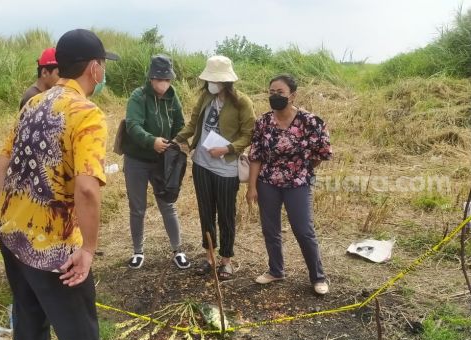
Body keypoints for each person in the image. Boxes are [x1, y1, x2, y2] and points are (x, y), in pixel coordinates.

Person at [0, 29, 118, 340]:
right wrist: (87, 249)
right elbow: (86, 188)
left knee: (30, 331)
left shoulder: (33, 103)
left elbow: (3, 163)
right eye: (102, 65)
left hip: (13, 238)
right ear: (95, 69)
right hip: (55, 248)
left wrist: (4, 216)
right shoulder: (87, 114)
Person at [246, 74, 332, 295]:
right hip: (268, 183)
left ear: (292, 95)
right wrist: (251, 187)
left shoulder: (310, 122)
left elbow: (321, 152)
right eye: (271, 92)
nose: (275, 96)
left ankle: (318, 277)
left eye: (280, 93)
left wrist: (303, 169)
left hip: (297, 183)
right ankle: (276, 270)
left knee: (303, 230)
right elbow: (255, 156)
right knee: (270, 230)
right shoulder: (263, 122)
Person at [174, 55, 255, 280]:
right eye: (210, 79)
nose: (212, 84)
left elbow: (248, 134)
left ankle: (226, 260)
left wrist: (228, 149)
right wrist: (176, 140)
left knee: (226, 215)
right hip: (201, 164)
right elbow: (192, 124)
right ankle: (209, 256)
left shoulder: (242, 102)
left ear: (227, 81)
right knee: (206, 212)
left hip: (225, 169)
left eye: (216, 80)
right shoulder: (205, 97)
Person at [121, 54, 189, 270]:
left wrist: (175, 142)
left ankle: (178, 250)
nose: (164, 84)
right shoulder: (138, 96)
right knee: (137, 207)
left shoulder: (172, 95)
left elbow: (180, 122)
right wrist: (152, 141)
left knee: (168, 204)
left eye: (168, 79)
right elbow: (133, 125)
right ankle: (138, 251)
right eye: (161, 79)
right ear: (151, 78)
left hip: (162, 160)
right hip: (137, 160)